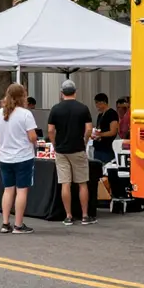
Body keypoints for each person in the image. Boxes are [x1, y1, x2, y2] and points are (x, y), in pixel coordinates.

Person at [47, 80, 95, 226]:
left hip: (62, 150)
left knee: (65, 183)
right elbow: (89, 129)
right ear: (75, 92)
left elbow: (50, 130)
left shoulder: (55, 109)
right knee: (82, 183)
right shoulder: (83, 108)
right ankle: (85, 215)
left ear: (62, 93)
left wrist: (55, 144)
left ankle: (68, 215)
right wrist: (84, 141)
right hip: (78, 148)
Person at [0, 84, 38, 234]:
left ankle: (5, 223)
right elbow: (32, 137)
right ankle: (18, 224)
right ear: (22, 96)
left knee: (8, 189)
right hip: (23, 156)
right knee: (21, 190)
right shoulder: (25, 114)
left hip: (5, 157)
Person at [92, 93, 119, 164]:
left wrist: (100, 135)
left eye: (97, 103)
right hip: (98, 147)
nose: (96, 105)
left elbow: (113, 131)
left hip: (107, 149)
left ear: (103, 102)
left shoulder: (112, 114)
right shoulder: (100, 115)